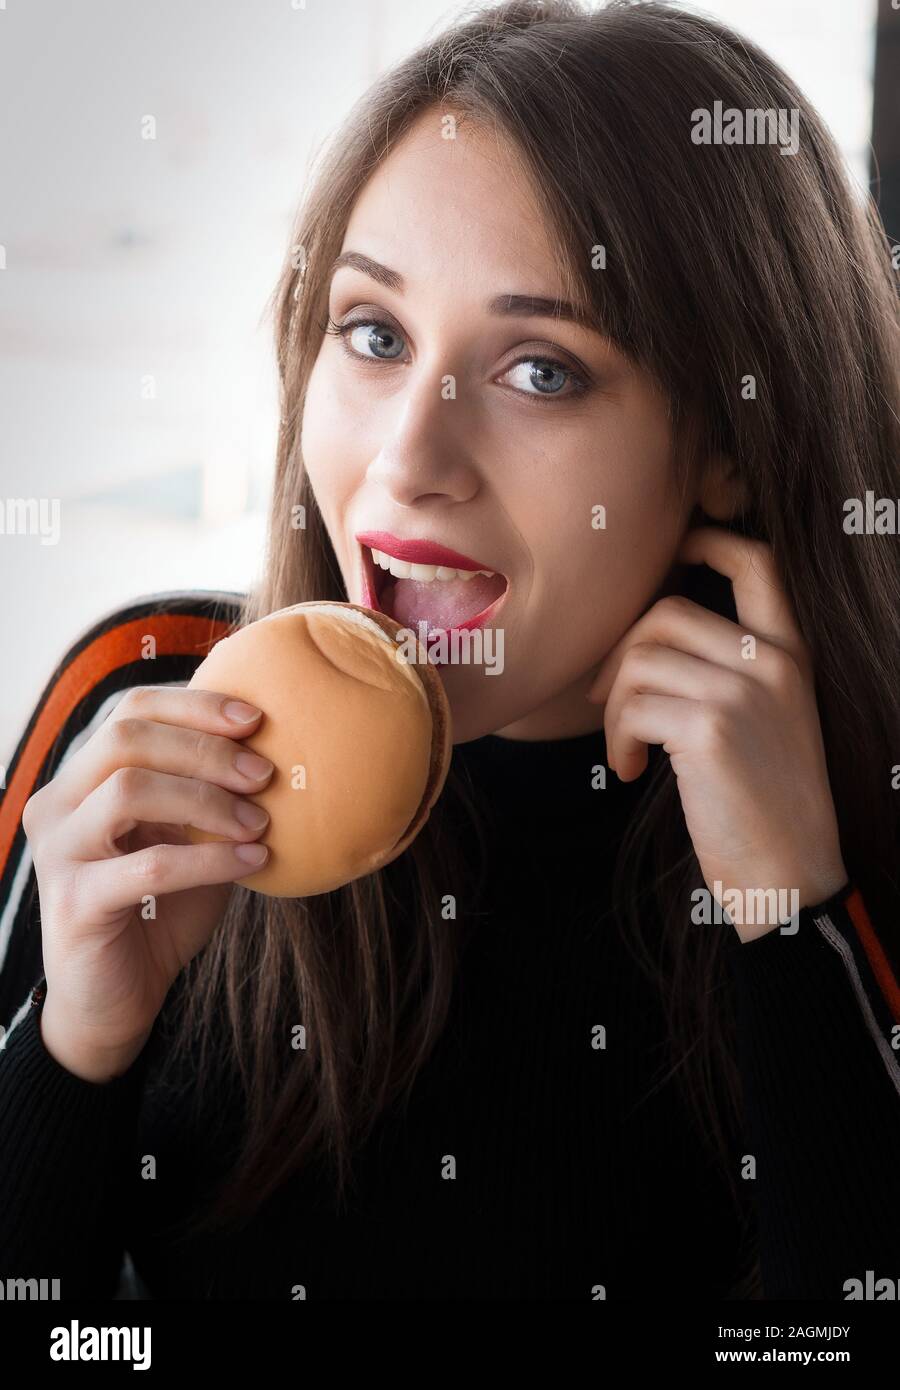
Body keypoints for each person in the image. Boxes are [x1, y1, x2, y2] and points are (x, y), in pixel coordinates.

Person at [1, 0, 898, 1301]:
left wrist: (793, 927)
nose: (408, 461)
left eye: (540, 369)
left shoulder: (855, 793)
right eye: (374, 334)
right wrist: (74, 1048)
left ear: (728, 443)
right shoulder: (143, 707)